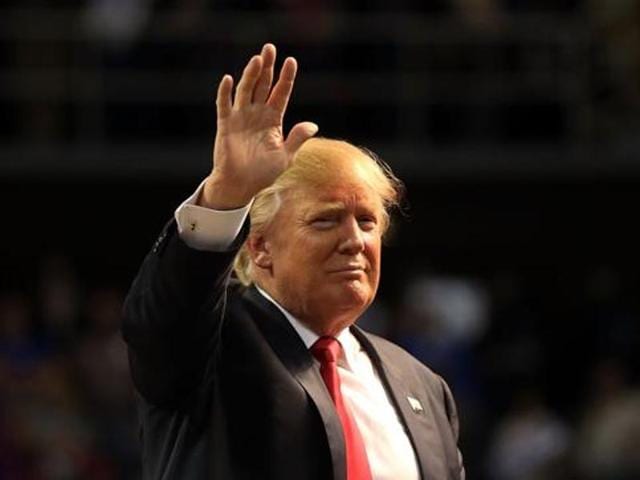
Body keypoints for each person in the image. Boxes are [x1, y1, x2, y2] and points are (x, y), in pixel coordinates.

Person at [122, 43, 465, 480]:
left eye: (367, 222)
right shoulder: (208, 346)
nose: (354, 240)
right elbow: (163, 318)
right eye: (326, 221)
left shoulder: (422, 385)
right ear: (260, 246)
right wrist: (226, 195)